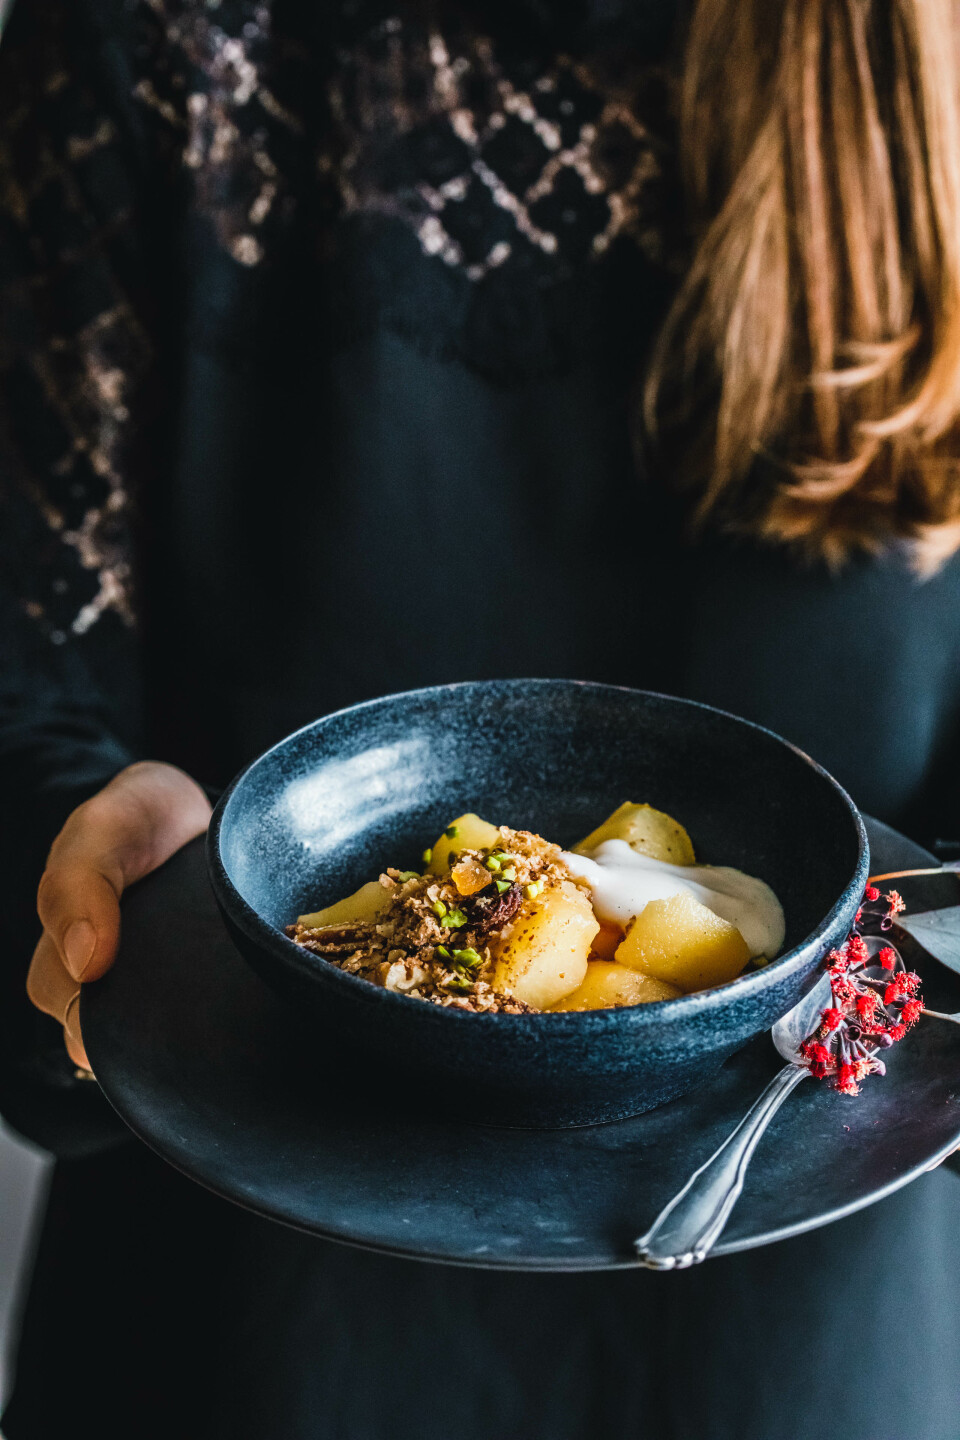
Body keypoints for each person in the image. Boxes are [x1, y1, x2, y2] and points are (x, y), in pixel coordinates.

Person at [3, 0, 960, 1435]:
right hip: (231, 1338)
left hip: (796, 1353)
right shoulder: (152, 42)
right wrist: (68, 846)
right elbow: (26, 690)